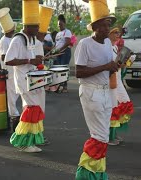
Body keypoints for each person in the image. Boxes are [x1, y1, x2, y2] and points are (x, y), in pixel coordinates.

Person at [74, 0, 118, 178]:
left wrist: (114, 66)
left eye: (109, 25)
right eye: (104, 25)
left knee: (103, 136)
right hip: (91, 92)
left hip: (106, 91)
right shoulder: (84, 44)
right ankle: (86, 174)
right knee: (99, 136)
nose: (108, 29)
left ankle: (96, 172)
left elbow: (106, 68)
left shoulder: (108, 43)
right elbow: (79, 72)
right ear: (94, 27)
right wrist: (105, 66)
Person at [7, 0, 48, 153]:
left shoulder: (32, 39)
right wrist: (30, 60)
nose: (38, 29)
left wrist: (38, 60)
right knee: (32, 109)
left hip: (33, 79)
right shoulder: (17, 39)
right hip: (24, 80)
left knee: (32, 109)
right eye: (36, 26)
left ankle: (29, 139)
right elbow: (8, 60)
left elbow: (32, 59)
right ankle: (22, 142)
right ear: (27, 26)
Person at [0, 8, 20, 131]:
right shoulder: (4, 40)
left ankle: (14, 115)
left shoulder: (11, 39)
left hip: (14, 70)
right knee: (11, 95)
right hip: (9, 70)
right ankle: (14, 116)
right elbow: (4, 57)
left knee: (15, 93)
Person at [107, 27, 134, 146]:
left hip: (117, 80)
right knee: (113, 108)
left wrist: (127, 62)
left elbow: (117, 65)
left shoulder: (113, 47)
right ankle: (109, 136)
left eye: (118, 32)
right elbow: (110, 66)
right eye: (115, 32)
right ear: (109, 34)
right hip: (111, 82)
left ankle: (114, 133)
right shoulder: (107, 47)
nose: (118, 34)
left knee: (124, 104)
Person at [54, 14, 72, 93]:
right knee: (58, 70)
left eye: (60, 24)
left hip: (65, 52)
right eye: (58, 25)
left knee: (63, 69)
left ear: (64, 23)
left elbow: (68, 42)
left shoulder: (67, 32)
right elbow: (56, 44)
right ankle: (59, 85)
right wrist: (54, 51)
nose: (59, 26)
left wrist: (60, 50)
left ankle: (65, 87)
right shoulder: (58, 34)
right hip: (58, 53)